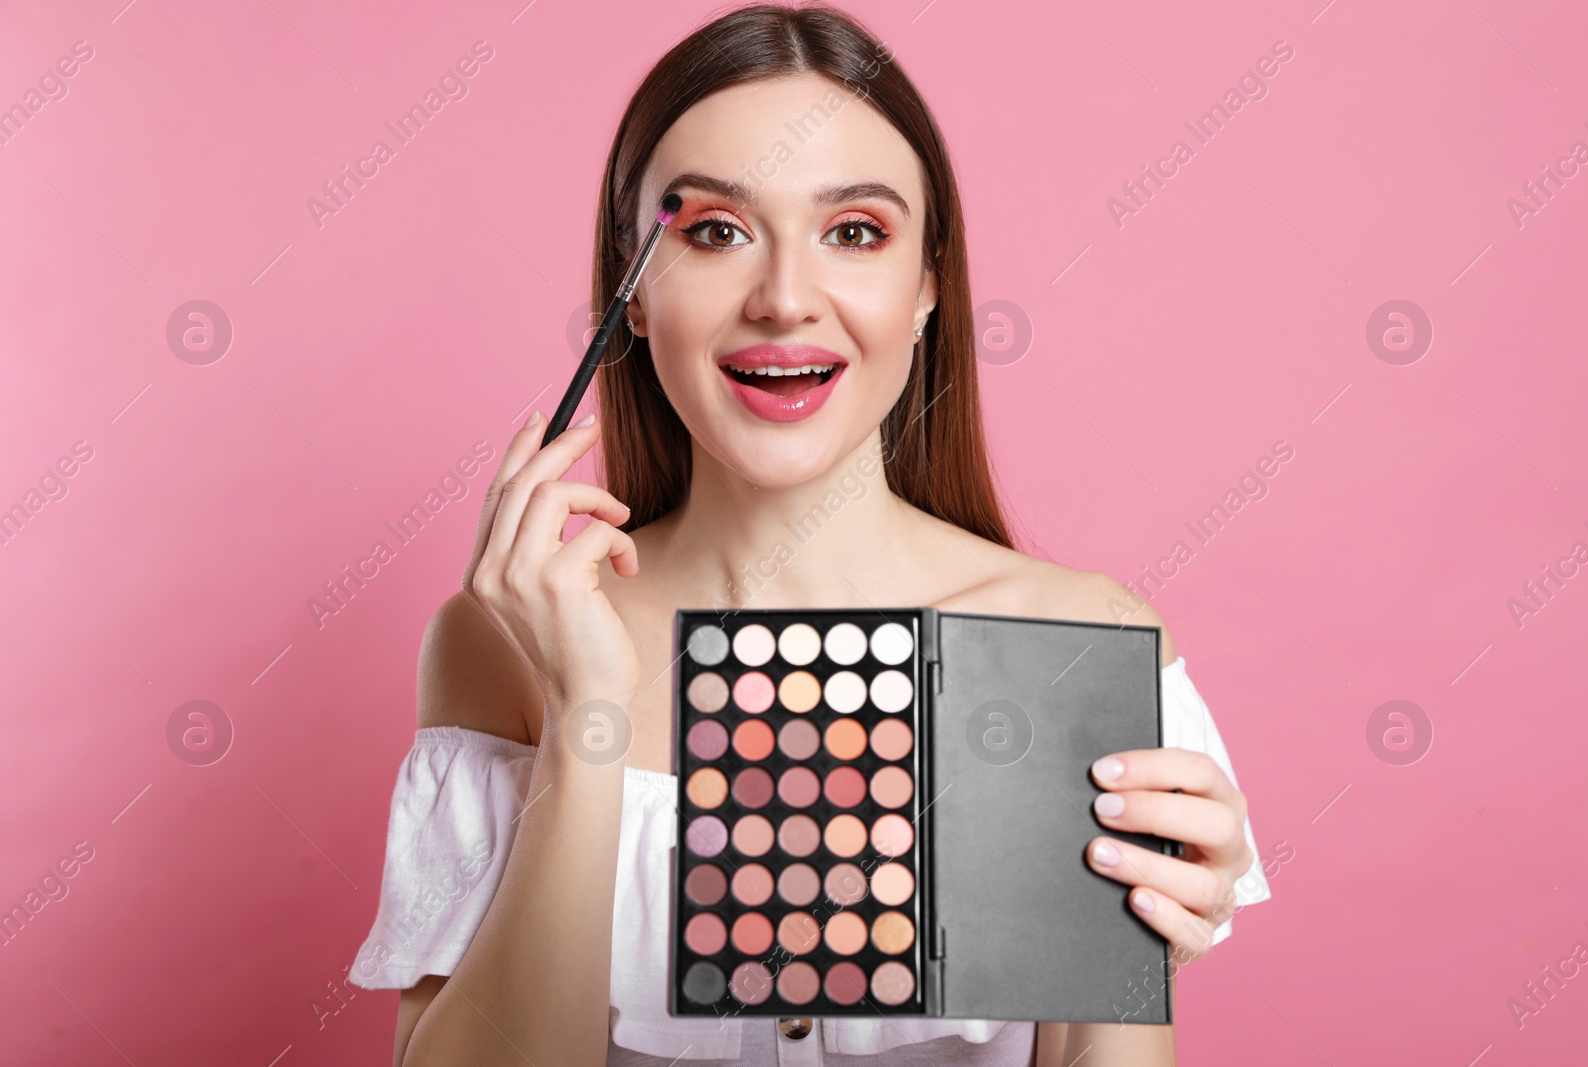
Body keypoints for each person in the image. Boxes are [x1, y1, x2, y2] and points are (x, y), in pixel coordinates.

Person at [348, 5, 1270, 1065]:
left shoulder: (1076, 635)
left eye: (855, 232)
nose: (784, 299)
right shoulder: (506, 641)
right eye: (714, 231)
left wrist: (1125, 938)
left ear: (927, 285)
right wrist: (585, 713)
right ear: (633, 293)